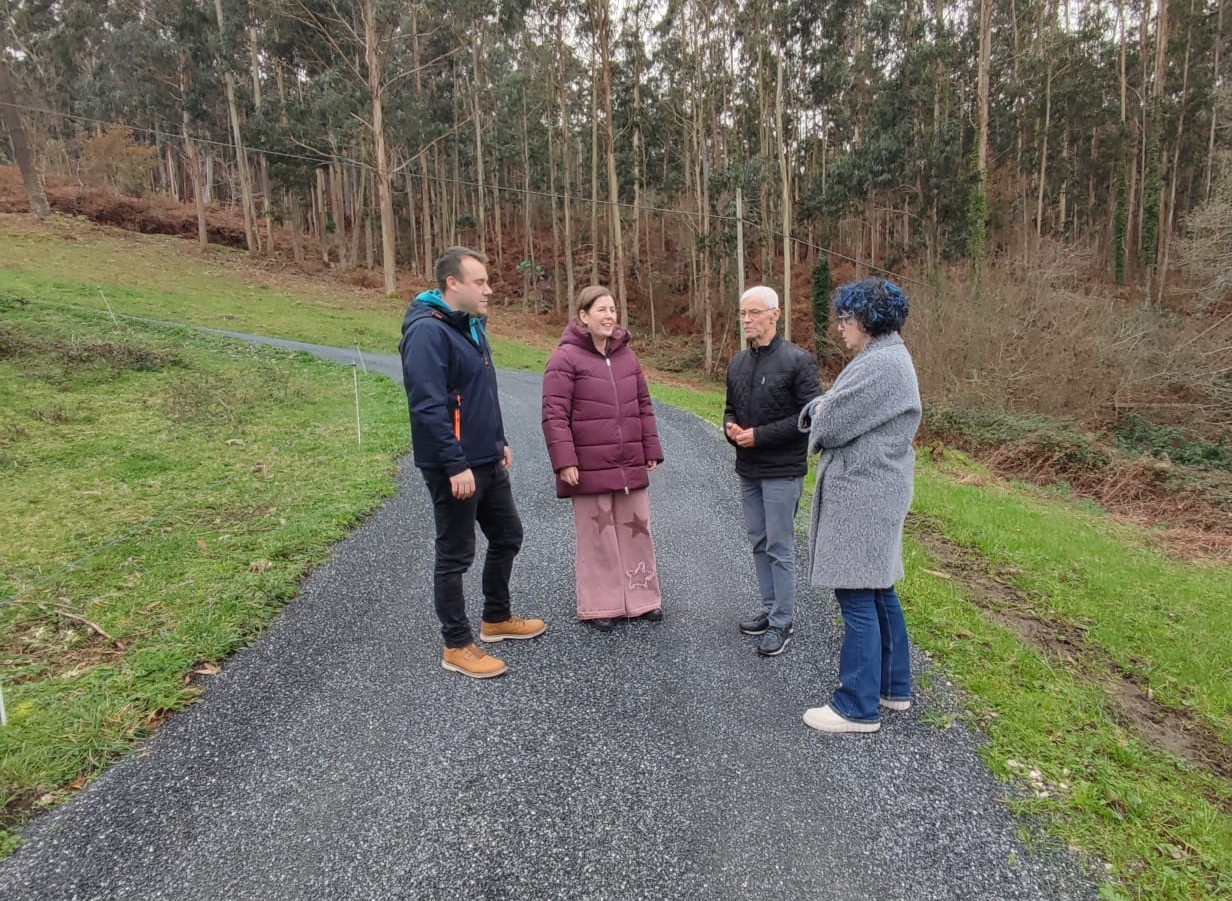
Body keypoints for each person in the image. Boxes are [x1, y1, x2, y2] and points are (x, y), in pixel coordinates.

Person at [399, 246, 546, 679]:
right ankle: (457, 644)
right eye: (479, 282)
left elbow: (479, 392)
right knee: (455, 555)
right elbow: (427, 407)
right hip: (455, 466)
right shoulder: (428, 332)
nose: (489, 290)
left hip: (485, 458)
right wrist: (454, 463)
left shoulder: (471, 326)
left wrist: (499, 439)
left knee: (508, 535)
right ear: (453, 284)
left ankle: (496, 618)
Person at [797, 277, 921, 733]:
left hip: (864, 494)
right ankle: (892, 687)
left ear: (867, 319)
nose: (840, 327)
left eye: (845, 318)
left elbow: (832, 423)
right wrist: (823, 407)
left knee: (856, 593)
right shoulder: (887, 358)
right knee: (878, 588)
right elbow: (837, 407)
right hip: (877, 489)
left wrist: (818, 411)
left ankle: (856, 705)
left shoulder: (880, 364)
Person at [541, 286, 665, 632]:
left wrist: (650, 448)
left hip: (629, 462)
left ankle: (642, 599)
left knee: (637, 529)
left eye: (612, 309)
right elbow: (554, 415)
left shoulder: (628, 357)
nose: (609, 316)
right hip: (588, 464)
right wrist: (565, 461)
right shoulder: (564, 359)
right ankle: (601, 604)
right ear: (583, 316)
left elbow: (643, 405)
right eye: (601, 310)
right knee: (598, 535)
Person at [724, 286, 822, 657]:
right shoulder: (737, 363)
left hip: (782, 470)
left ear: (775, 315)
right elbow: (730, 408)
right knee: (759, 542)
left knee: (780, 547)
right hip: (749, 469)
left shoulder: (799, 361)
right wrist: (731, 429)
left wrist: (760, 436)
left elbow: (810, 419)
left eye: (754, 312)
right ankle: (769, 609)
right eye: (743, 313)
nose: (746, 319)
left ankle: (783, 621)